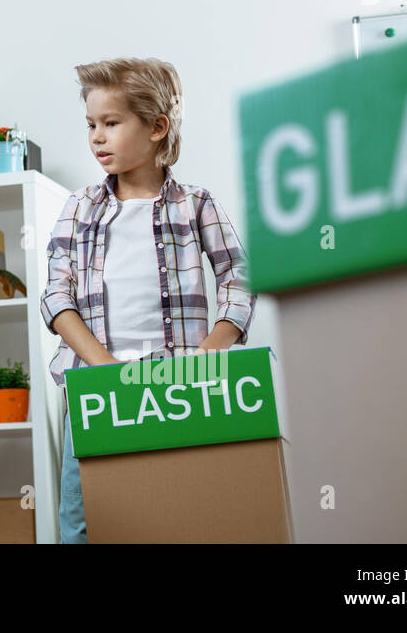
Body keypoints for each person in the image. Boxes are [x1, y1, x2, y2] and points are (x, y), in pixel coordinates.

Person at [39, 57, 256, 543]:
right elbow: (56, 295)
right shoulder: (79, 208)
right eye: (91, 124)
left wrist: (209, 354)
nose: (97, 136)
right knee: (83, 518)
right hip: (94, 387)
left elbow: (240, 278)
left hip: (177, 386)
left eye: (111, 123)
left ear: (157, 127)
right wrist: (101, 367)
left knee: (180, 506)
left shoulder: (195, 204)